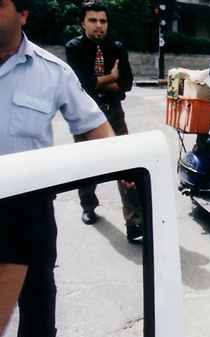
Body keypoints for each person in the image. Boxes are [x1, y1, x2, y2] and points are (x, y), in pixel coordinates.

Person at [0, 0, 115, 337]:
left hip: (27, 213)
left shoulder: (52, 72)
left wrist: (129, 169)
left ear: (22, 14)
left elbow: (93, 125)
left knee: (38, 326)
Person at [65, 1, 143, 241]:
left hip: (113, 112)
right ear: (83, 23)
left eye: (103, 21)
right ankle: (88, 206)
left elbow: (127, 83)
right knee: (87, 165)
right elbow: (80, 84)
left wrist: (98, 81)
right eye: (93, 20)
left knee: (126, 165)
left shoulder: (117, 48)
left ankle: (135, 222)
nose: (99, 26)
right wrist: (111, 77)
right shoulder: (74, 47)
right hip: (85, 115)